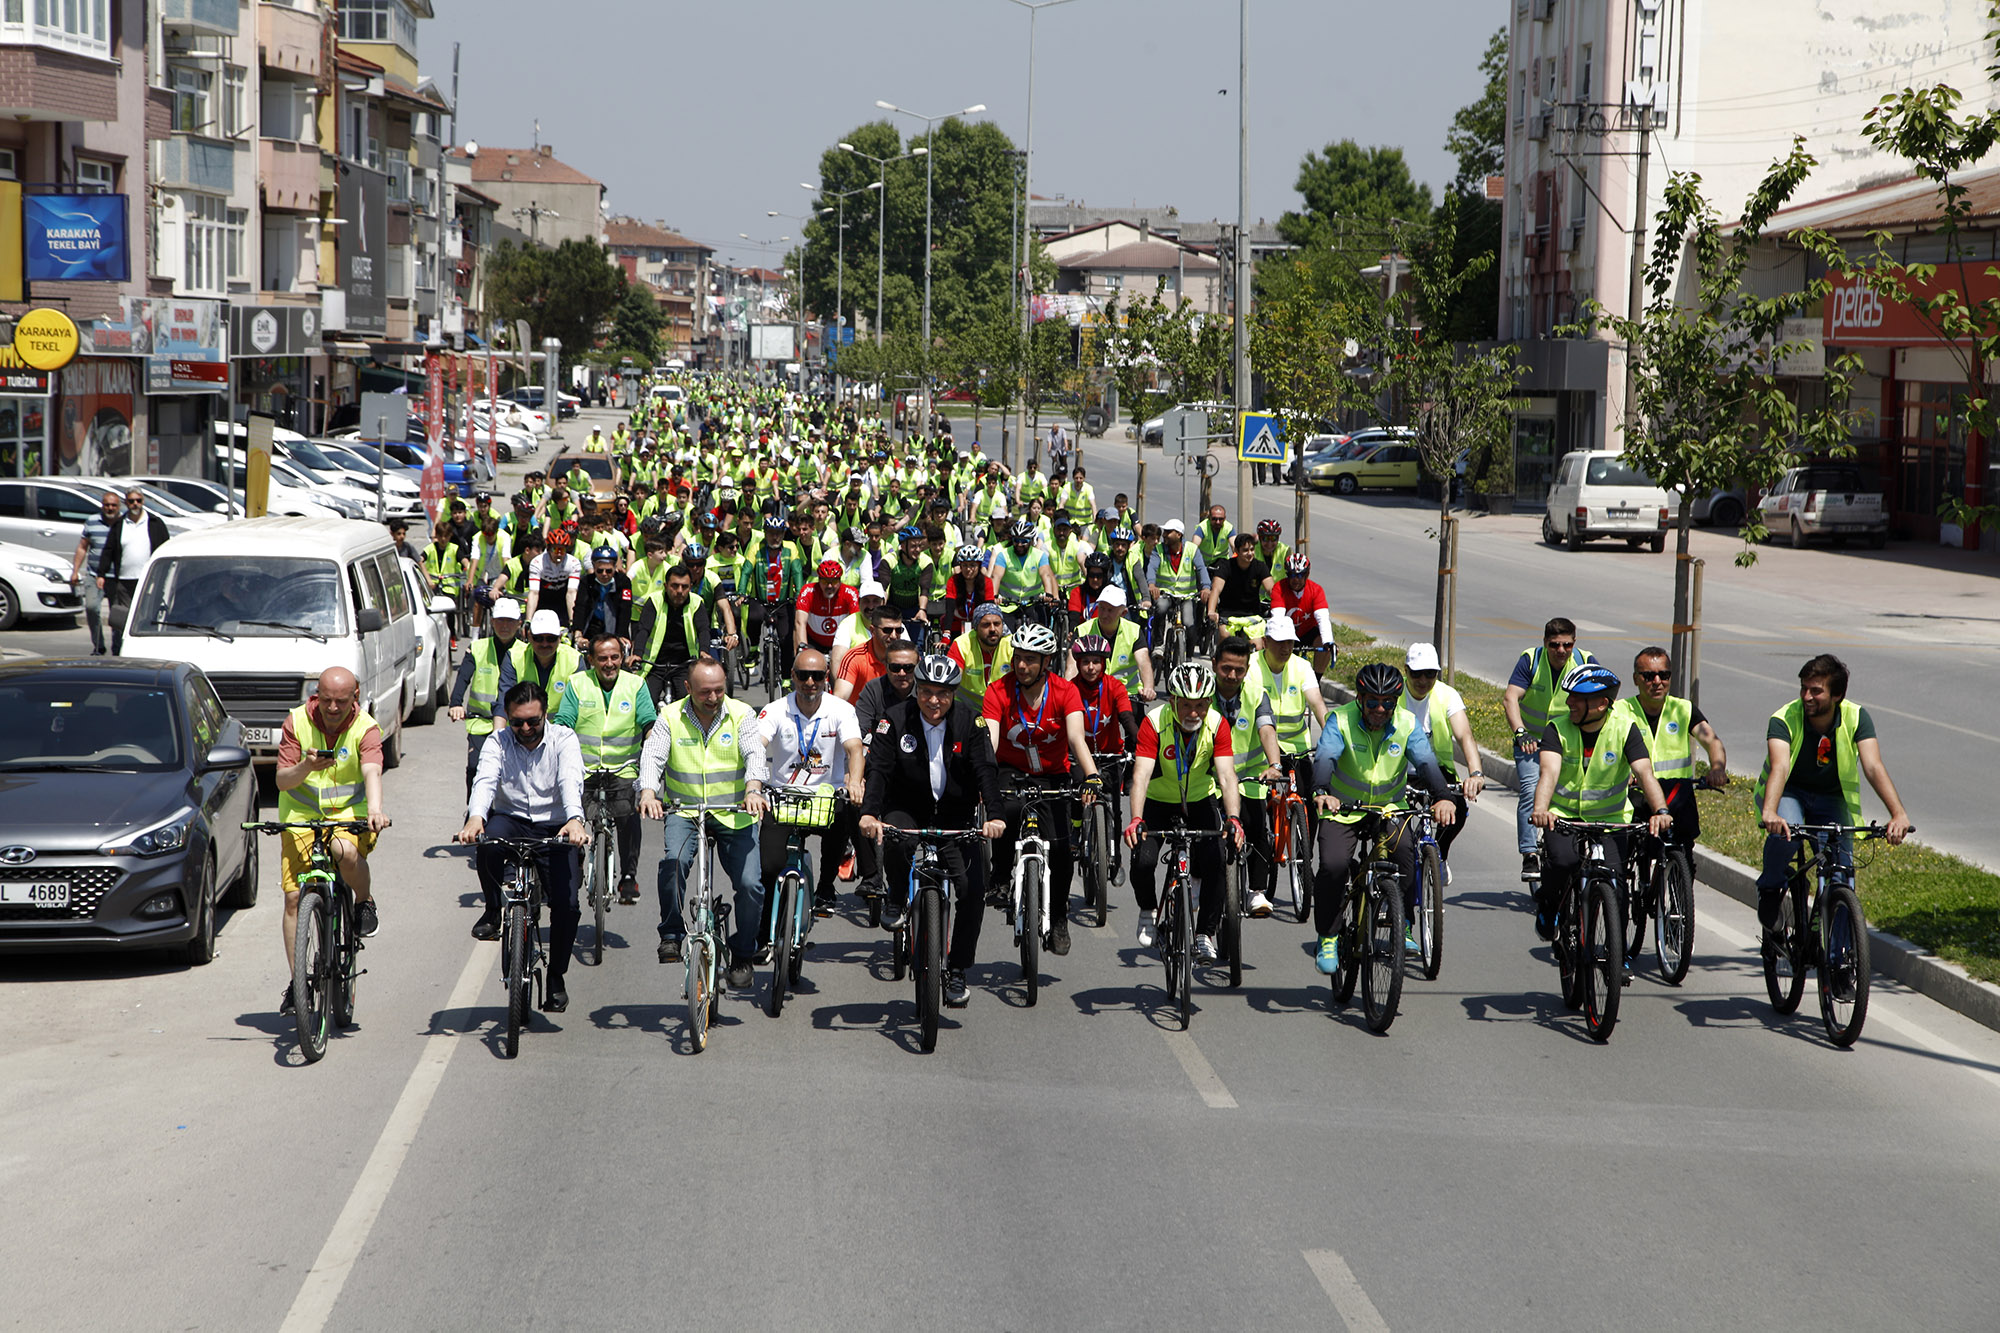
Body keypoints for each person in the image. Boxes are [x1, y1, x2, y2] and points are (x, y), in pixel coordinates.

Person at [860, 655, 1009, 1008]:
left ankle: (957, 969)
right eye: (926, 692)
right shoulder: (894, 720)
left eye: (942, 694)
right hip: (907, 807)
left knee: (973, 889)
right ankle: (896, 896)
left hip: (955, 815)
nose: (933, 701)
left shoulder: (971, 721)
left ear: (953, 694)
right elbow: (879, 770)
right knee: (898, 841)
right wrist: (869, 813)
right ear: (916, 689)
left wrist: (995, 816)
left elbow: (986, 771)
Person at [1311, 662, 1457, 973]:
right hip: (1344, 810)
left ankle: (1401, 923)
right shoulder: (1341, 721)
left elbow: (1427, 762)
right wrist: (1322, 791)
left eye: (1388, 702)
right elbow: (1325, 757)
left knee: (1406, 857)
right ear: (1360, 699)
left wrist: (1443, 796)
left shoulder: (1406, 724)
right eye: (1373, 701)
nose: (1380, 708)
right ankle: (1328, 935)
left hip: (1389, 809)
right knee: (1334, 866)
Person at [1753, 654, 1912, 933]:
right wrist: (1770, 812)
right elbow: (1779, 766)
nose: (1807, 696)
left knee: (1841, 879)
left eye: (1816, 690)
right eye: (1804, 688)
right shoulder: (1783, 718)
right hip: (1791, 792)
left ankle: (1836, 966)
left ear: (1837, 695)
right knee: (1785, 834)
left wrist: (1897, 814)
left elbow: (1873, 766)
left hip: (1831, 798)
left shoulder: (1856, 716)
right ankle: (1770, 888)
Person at [457, 682, 589, 1011]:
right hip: (511, 818)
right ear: (509, 719)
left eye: (533, 721)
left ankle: (556, 974)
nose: (526, 729)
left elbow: (569, 778)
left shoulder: (564, 739)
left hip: (556, 823)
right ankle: (492, 908)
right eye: (517, 722)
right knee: (487, 844)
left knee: (568, 905)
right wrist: (475, 818)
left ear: (546, 715)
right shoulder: (497, 741)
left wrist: (575, 819)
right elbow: (485, 779)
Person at [638, 660, 768, 987]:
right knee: (673, 862)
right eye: (705, 692)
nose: (713, 698)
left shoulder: (742, 714)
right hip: (686, 811)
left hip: (733, 812)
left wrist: (753, 789)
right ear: (687, 689)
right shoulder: (670, 716)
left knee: (751, 884)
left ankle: (742, 952)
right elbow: (653, 755)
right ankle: (670, 932)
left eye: (719, 690)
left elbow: (755, 754)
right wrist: (649, 792)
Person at [273, 667, 392, 1014]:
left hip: (348, 816)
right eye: (326, 700)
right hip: (301, 817)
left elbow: (372, 770)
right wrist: (306, 767)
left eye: (341, 701)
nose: (333, 708)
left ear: (355, 697)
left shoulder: (365, 728)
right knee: (294, 898)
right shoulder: (296, 721)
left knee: (343, 850)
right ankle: (300, 986)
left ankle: (364, 900)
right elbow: (281, 781)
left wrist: (375, 809)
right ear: (316, 695)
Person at [981, 621, 1102, 958]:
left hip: (1053, 776)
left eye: (1031, 659)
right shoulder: (998, 690)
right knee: (1005, 813)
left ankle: (1059, 917)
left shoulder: (1065, 691)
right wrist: (982, 777)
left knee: (1062, 850)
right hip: (1011, 770)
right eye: (1019, 657)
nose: (1022, 666)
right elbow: (990, 740)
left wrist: (1091, 775)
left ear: (1047, 662)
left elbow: (1077, 738)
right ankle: (1001, 876)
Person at [1528, 663, 1674, 941]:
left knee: (1616, 888)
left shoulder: (1625, 729)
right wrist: (1541, 810)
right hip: (1563, 815)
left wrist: (1661, 810)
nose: (1569, 702)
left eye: (1577, 698)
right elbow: (1549, 772)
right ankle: (1549, 905)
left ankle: (1614, 955)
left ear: (1600, 704)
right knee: (1562, 863)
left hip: (1611, 820)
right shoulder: (1556, 729)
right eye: (1568, 696)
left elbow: (1644, 773)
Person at [1123, 660, 1247, 961]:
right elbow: (1140, 776)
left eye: (1201, 705)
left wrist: (1233, 818)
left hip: (1199, 800)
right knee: (1142, 860)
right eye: (1187, 705)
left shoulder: (1217, 723)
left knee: (1217, 859)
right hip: (1158, 801)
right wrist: (1136, 818)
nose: (1194, 713)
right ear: (1173, 701)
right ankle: (1148, 909)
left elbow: (1228, 777)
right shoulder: (1153, 722)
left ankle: (1205, 933)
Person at [750, 648, 866, 918]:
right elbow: (756, 747)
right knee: (768, 868)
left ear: (826, 677)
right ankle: (766, 932)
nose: (810, 682)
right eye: (803, 675)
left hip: (826, 798)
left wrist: (856, 781)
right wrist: (754, 787)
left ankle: (826, 886)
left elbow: (855, 749)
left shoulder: (842, 710)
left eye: (816, 676)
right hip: (783, 797)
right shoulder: (775, 710)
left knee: (844, 816)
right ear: (792, 676)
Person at [551, 633, 657, 906]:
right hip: (583, 770)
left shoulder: (636, 685)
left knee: (629, 815)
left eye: (615, 657)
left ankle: (628, 876)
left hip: (623, 769)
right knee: (567, 818)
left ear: (622, 658)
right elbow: (564, 722)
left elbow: (648, 722)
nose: (609, 663)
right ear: (591, 661)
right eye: (602, 658)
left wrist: (654, 748)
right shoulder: (577, 684)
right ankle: (572, 866)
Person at [1610, 646, 1727, 856]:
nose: (1657, 681)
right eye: (1648, 676)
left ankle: (1682, 881)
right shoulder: (1620, 710)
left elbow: (1712, 742)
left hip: (1677, 793)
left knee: (1684, 847)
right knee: (1627, 849)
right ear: (1636, 679)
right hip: (1637, 793)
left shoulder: (1683, 709)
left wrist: (1717, 768)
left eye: (1664, 675)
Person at [1502, 618, 1593, 878]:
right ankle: (1530, 853)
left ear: (1574, 643)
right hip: (1533, 742)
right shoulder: (1531, 660)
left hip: (1568, 741)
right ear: (1545, 643)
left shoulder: (1585, 661)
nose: (1561, 651)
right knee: (1531, 790)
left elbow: (1603, 698)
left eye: (1567, 645)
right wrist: (1520, 733)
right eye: (1554, 645)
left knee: (1579, 794)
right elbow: (1511, 698)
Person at [1397, 642, 1485, 873]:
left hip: (1436, 771)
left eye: (1430, 674)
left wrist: (1475, 774)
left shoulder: (1447, 695)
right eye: (1417, 673)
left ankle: (1440, 854)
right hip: (1398, 770)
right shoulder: (1394, 695)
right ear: (1406, 670)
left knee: (1458, 809)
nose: (1424, 680)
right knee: (1395, 826)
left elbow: (1465, 735)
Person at [1212, 635, 1284, 917]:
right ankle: (1196, 882)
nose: (1232, 676)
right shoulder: (1202, 694)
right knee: (1207, 832)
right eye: (1226, 668)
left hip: (1249, 779)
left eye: (1239, 670)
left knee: (1256, 825)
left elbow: (1267, 730)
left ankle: (1257, 891)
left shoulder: (1256, 695)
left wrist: (1274, 764)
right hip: (1212, 779)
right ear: (1215, 664)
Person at [448, 596, 526, 796]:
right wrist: (455, 703)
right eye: (500, 620)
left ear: (519, 623)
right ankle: (472, 809)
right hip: (481, 723)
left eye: (510, 621)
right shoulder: (478, 647)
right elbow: (463, 677)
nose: (504, 626)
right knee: (476, 767)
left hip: (515, 726)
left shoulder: (526, 652)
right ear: (492, 621)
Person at [95, 488, 169, 656]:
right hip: (124, 581)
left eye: (138, 501)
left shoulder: (155, 523)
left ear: (143, 501)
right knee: (124, 618)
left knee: (147, 615)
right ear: (126, 503)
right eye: (131, 501)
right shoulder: (120, 524)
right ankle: (122, 650)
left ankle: (149, 651)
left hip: (149, 581)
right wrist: (101, 573)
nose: (135, 504)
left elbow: (165, 548)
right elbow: (109, 550)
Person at [631, 564, 717, 705]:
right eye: (674, 586)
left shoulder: (696, 603)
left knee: (689, 702)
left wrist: (704, 651)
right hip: (655, 664)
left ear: (690, 586)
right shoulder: (654, 601)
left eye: (684, 587)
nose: (679, 591)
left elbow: (703, 629)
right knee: (646, 702)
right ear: (665, 585)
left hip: (684, 664)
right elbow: (643, 630)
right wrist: (637, 654)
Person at [1144, 519, 1210, 656]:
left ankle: (1189, 657)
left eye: (1168, 532)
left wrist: (1206, 587)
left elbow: (1201, 569)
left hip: (1186, 595)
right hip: (1166, 593)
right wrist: (1151, 584)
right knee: (1160, 610)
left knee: (1189, 623)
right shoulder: (1159, 550)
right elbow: (1152, 568)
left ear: (1179, 535)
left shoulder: (1192, 549)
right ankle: (1158, 645)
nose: (1164, 535)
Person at [70, 490, 120, 655]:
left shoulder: (124, 523)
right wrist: (75, 571)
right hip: (94, 574)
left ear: (119, 506)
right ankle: (98, 646)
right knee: (91, 608)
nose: (110, 508)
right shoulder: (92, 522)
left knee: (118, 614)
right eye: (107, 505)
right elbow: (82, 547)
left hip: (117, 577)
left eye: (113, 505)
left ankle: (118, 647)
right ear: (102, 506)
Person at [1270, 553, 1336, 674]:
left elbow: (1323, 618)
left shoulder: (1316, 590)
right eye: (1292, 575)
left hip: (1308, 631)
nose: (1296, 579)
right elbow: (1278, 617)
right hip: (1288, 633)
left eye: (1300, 575)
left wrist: (1329, 642)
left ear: (1307, 575)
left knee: (1323, 643)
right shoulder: (1279, 588)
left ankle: (1317, 679)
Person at [948, 600, 1014, 711]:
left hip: (1002, 709)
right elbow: (951, 679)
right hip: (967, 710)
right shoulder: (961, 644)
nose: (993, 629)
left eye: (997, 624)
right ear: (976, 627)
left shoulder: (1012, 644)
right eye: (986, 625)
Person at [835, 605, 905, 701]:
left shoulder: (907, 657)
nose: (893, 636)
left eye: (898, 630)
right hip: (859, 714)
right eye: (887, 630)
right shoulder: (854, 657)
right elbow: (840, 699)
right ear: (872, 630)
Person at [1209, 532, 1273, 637]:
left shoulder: (1260, 566)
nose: (1250, 553)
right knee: (1225, 638)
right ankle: (1219, 653)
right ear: (1236, 551)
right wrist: (1211, 611)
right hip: (1228, 614)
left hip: (1252, 615)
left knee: (1258, 646)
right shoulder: (1226, 566)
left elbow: (1271, 589)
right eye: (1245, 550)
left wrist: (1280, 609)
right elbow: (1216, 589)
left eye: (1252, 550)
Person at [517, 609, 583, 709]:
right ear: (529, 636)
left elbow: (578, 704)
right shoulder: (513, 657)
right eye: (538, 638)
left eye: (551, 638)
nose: (544, 644)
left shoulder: (575, 660)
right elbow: (504, 701)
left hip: (562, 724)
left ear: (560, 638)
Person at [574, 545, 634, 651]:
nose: (604, 574)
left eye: (609, 571)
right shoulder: (586, 581)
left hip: (614, 625)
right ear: (594, 567)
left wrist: (621, 635)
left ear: (615, 567)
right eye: (600, 571)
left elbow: (625, 609)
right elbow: (580, 606)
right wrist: (578, 632)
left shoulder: (624, 582)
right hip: (593, 624)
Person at [795, 556, 859, 655]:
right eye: (825, 581)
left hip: (840, 644)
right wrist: (803, 652)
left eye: (834, 581)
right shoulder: (808, 591)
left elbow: (857, 624)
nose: (829, 586)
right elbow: (800, 623)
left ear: (840, 581)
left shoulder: (850, 593)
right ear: (819, 580)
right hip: (814, 642)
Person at [989, 519, 1057, 612]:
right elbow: (996, 576)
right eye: (1016, 540)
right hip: (1008, 606)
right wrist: (994, 596)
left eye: (1024, 541)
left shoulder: (1040, 556)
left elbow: (1046, 575)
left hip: (1033, 604)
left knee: (1041, 624)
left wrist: (1049, 594)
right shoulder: (1003, 555)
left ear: (1031, 541)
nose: (1019, 544)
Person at [526, 530, 585, 630]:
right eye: (555, 550)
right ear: (548, 549)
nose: (558, 554)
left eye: (562, 550)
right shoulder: (537, 562)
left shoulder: (573, 563)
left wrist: (572, 620)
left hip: (562, 602)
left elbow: (571, 593)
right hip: (543, 600)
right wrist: (528, 620)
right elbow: (534, 593)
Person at [1195, 503, 1235, 569]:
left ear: (1225, 518)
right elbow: (1194, 547)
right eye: (1214, 519)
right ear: (1209, 518)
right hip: (1203, 563)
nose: (1218, 522)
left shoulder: (1229, 528)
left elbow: (1235, 547)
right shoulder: (1202, 527)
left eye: (1221, 519)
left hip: (1221, 562)